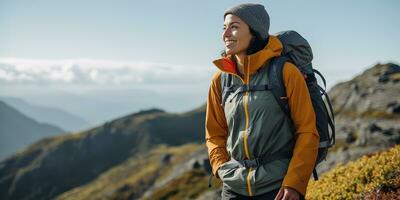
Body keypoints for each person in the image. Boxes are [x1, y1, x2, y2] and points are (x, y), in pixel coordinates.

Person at [205, 3, 320, 200]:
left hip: (278, 187)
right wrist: (220, 167)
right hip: (233, 187)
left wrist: (295, 183)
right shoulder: (221, 79)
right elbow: (214, 133)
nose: (225, 35)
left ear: (254, 31)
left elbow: (307, 131)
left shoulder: (285, 72)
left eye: (234, 26)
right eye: (224, 28)